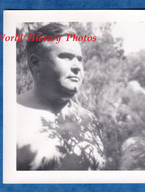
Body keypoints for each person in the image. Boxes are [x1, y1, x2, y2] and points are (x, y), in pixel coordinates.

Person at [17, 23, 105, 170]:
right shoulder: (9, 116)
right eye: (66, 57)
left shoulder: (90, 120)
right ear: (35, 63)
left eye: (79, 59)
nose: (77, 67)